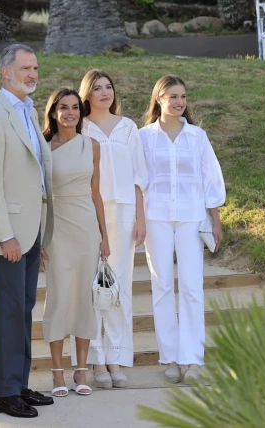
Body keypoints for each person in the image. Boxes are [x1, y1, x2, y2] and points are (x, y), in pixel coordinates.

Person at [0, 44, 55, 419]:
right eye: (25, 68)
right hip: (10, 233)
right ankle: (5, 395)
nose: (32, 74)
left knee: (22, 309)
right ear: (6, 72)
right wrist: (4, 234)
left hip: (31, 227)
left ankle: (19, 385)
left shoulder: (27, 110)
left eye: (35, 68)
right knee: (7, 312)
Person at [139, 75, 226, 384]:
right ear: (159, 98)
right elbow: (138, 181)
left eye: (183, 97)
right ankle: (171, 357)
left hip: (191, 217)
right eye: (172, 96)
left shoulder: (197, 136)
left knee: (191, 287)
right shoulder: (143, 137)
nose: (179, 102)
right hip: (156, 217)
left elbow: (210, 178)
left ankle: (192, 359)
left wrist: (215, 219)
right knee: (161, 286)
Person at [72, 69, 148, 388]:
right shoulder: (80, 129)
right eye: (98, 88)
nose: (105, 93)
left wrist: (140, 218)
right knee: (94, 286)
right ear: (86, 94)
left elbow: (139, 176)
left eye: (109, 87)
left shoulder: (129, 127)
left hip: (125, 212)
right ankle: (96, 360)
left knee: (119, 288)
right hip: (91, 213)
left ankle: (115, 356)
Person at [41, 87, 110, 397]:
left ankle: (81, 371)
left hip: (85, 228)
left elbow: (96, 194)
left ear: (81, 114)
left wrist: (104, 236)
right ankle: (57, 372)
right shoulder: (42, 147)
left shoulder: (92, 145)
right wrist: (38, 238)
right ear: (54, 112)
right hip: (55, 229)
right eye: (63, 107)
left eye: (75, 108)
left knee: (84, 298)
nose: (70, 113)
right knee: (57, 298)